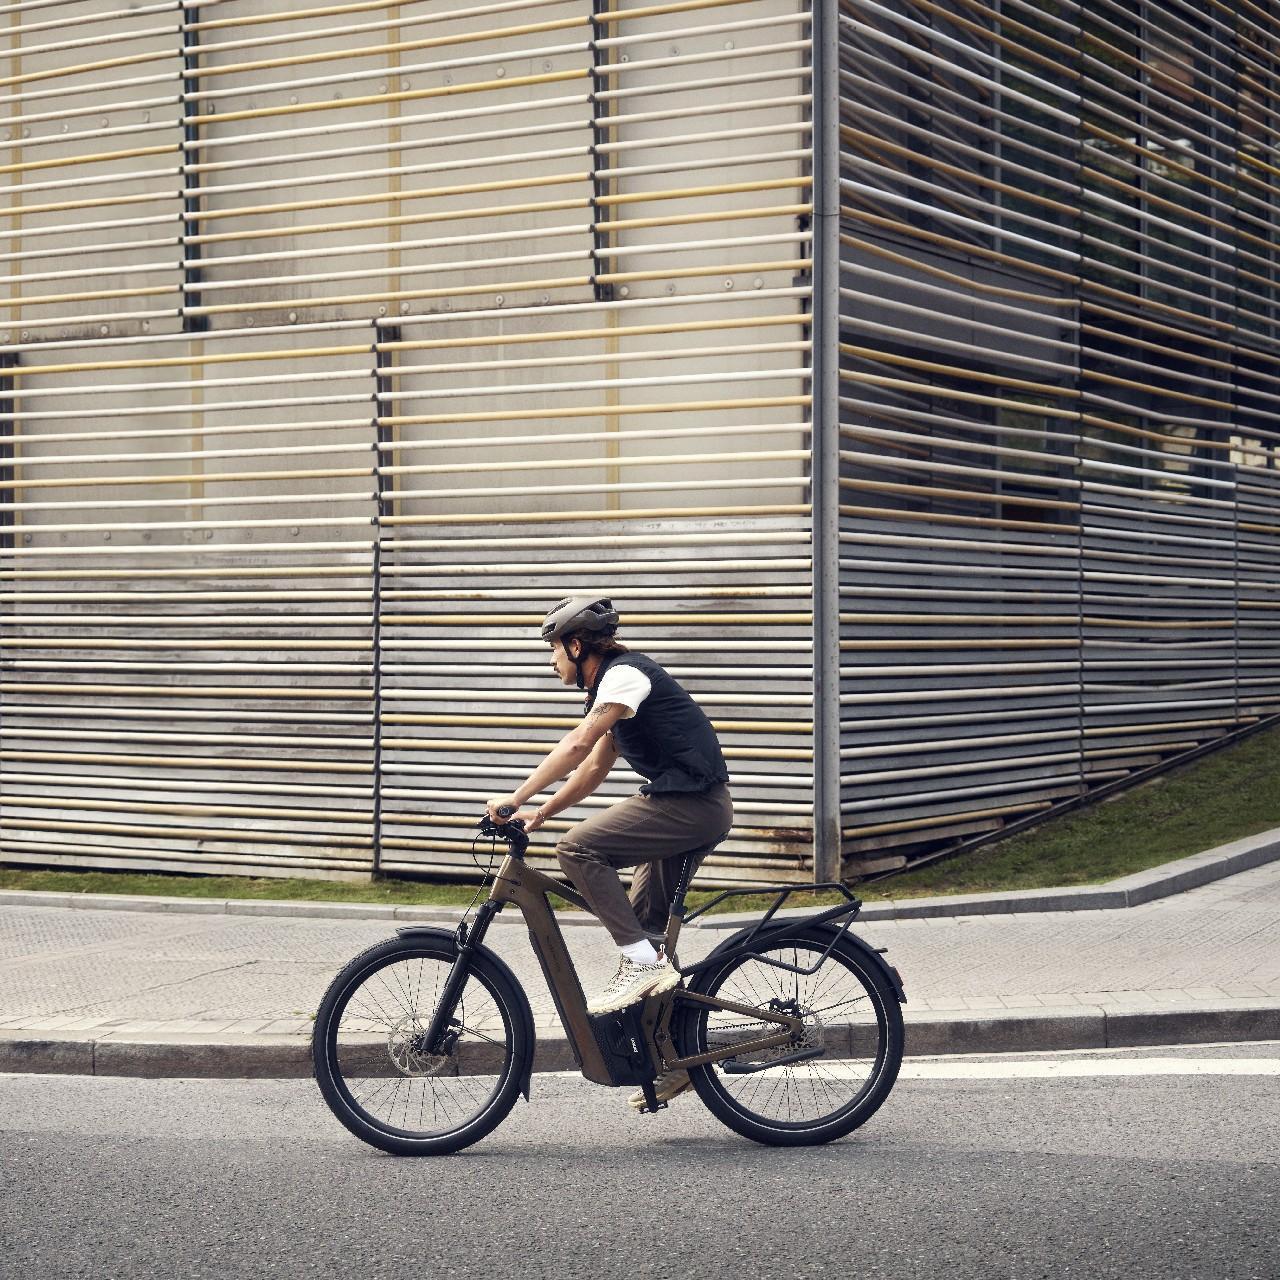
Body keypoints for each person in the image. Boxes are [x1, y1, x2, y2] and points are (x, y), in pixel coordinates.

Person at [486, 596, 732, 1108]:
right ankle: (678, 1059)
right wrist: (542, 812)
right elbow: (594, 768)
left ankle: (643, 965)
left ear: (577, 646)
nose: (552, 661)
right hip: (684, 805)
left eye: (554, 649)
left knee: (578, 849)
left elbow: (578, 744)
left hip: (692, 806)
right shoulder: (616, 691)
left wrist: (515, 798)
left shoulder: (625, 676)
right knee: (644, 928)